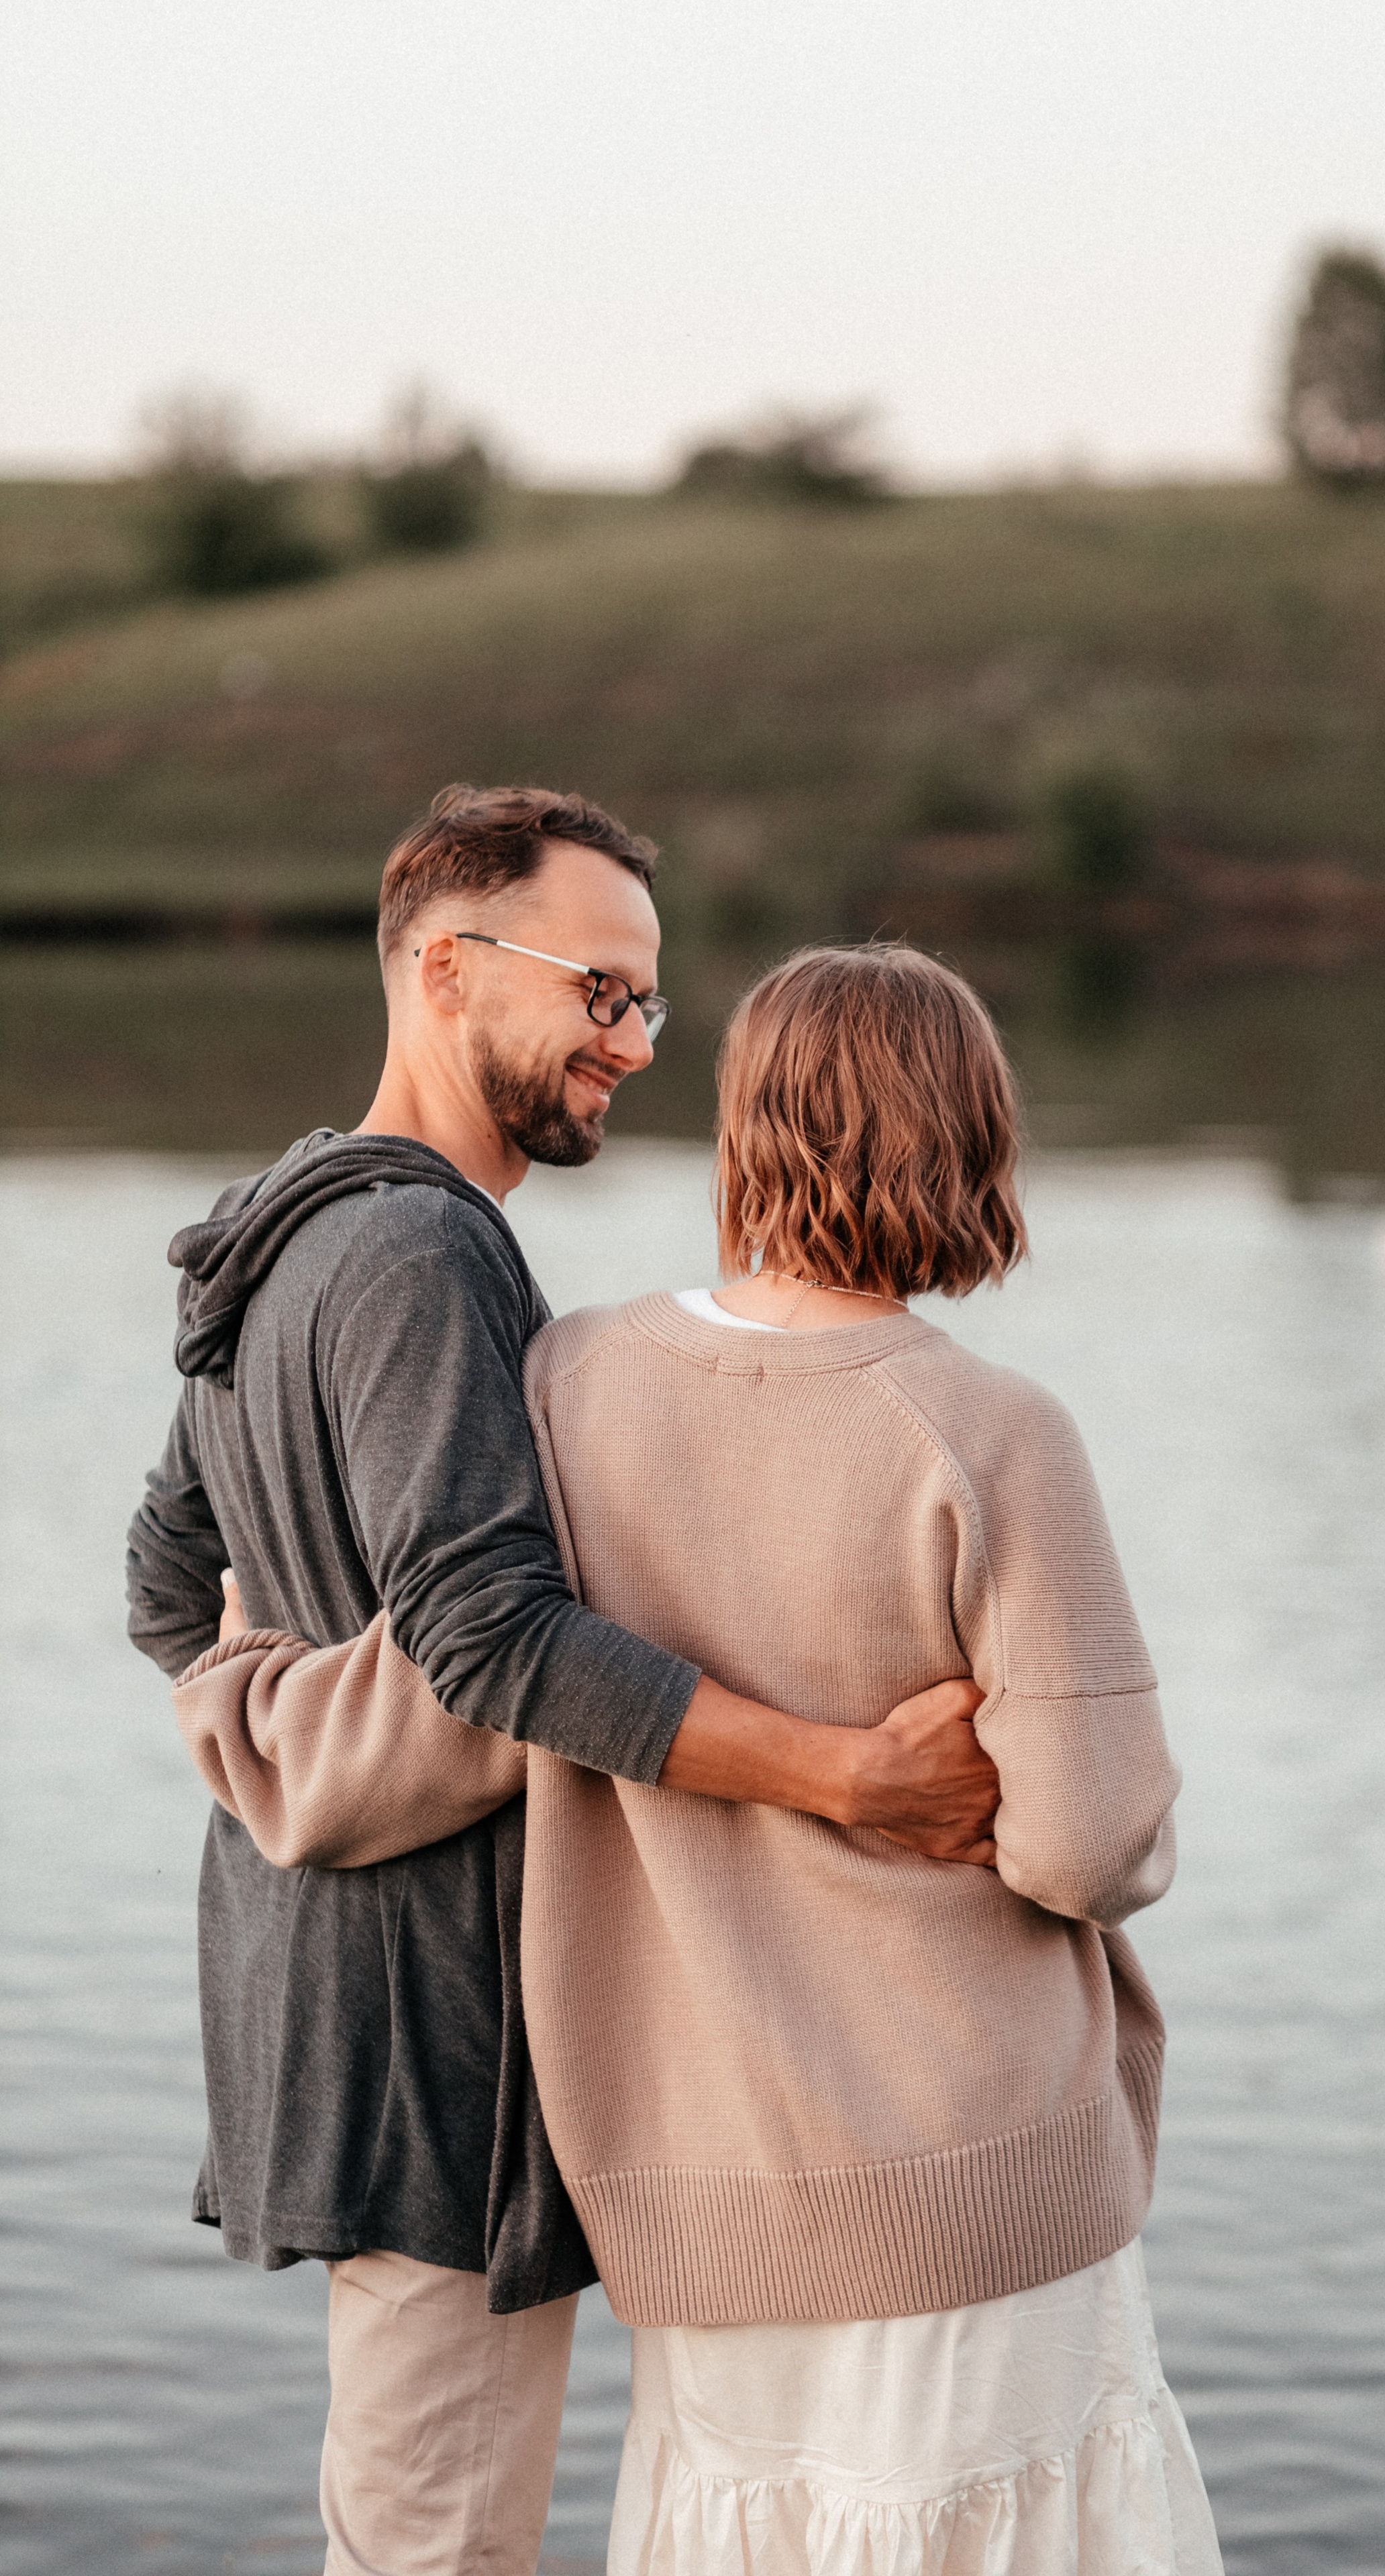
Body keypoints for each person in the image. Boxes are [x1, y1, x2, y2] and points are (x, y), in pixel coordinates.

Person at [178, 944, 1226, 2573]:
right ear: (972, 1139)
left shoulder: (566, 1385)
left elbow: (461, 1661)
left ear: (749, 1129)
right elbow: (1091, 1849)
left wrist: (243, 1671)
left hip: (694, 2185)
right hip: (970, 2168)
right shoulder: (991, 1432)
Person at [125, 790, 998, 2576]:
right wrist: (843, 1777)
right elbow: (490, 1632)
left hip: (333, 1991)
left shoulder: (280, 1234)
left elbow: (164, 1587)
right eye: (600, 992)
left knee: (410, 2523)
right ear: (447, 971)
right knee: (437, 2546)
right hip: (435, 2028)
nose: (632, 1046)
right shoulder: (424, 1251)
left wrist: (283, 1736)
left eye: (649, 1007)